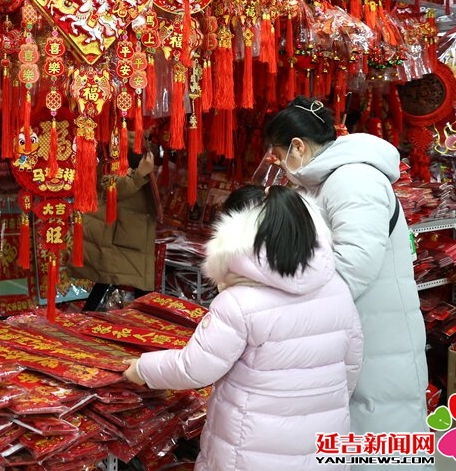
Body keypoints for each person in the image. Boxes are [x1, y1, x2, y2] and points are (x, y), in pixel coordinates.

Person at [124, 186, 363, 471]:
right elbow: (352, 364)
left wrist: (143, 369)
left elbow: (195, 368)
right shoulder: (338, 289)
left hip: (250, 449)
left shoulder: (239, 303)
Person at [264, 96, 429, 448]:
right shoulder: (327, 180)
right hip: (353, 327)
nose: (279, 165)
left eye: (279, 155)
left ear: (298, 146)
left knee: (381, 429)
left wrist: (294, 311)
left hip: (377, 334)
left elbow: (354, 265)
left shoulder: (354, 179)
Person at [72, 138, 157, 311]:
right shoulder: (115, 145)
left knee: (111, 281)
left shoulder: (138, 144)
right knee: (112, 279)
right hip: (119, 230)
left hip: (130, 229)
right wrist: (139, 174)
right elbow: (110, 185)